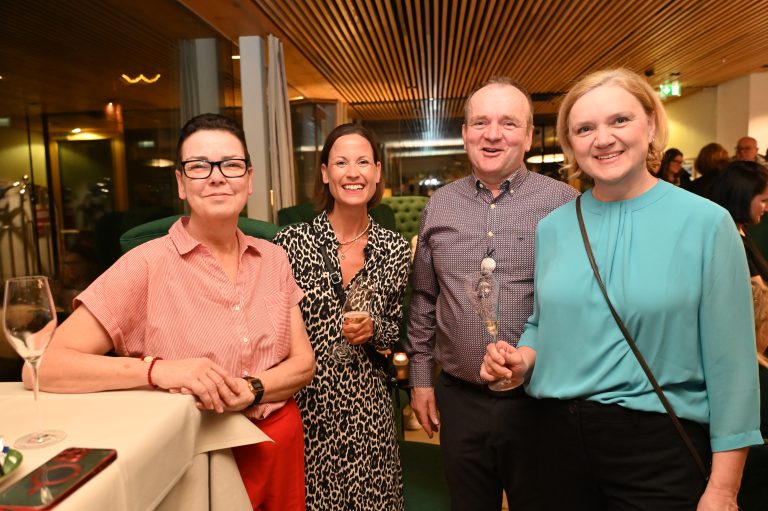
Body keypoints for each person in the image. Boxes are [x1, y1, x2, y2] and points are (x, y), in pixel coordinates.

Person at [482, 68, 762, 511]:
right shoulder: (554, 227)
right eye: (585, 128)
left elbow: (733, 369)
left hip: (657, 448)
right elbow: (542, 323)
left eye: (619, 121)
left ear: (650, 124)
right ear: (570, 143)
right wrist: (523, 360)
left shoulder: (706, 223)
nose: (602, 138)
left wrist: (724, 489)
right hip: (549, 443)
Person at [26, 113, 316, 511]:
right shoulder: (144, 264)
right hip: (200, 453)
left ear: (248, 180)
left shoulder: (273, 258)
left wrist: (253, 388)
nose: (216, 177)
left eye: (230, 165)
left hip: (280, 442)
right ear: (181, 183)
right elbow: (41, 366)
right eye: (199, 166)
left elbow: (303, 363)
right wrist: (159, 370)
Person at [406, 77, 578, 510]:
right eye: (480, 122)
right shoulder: (439, 205)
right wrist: (421, 381)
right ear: (464, 133)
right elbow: (425, 299)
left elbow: (582, 304)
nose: (492, 134)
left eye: (508, 122)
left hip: (542, 400)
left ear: (528, 135)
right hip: (460, 399)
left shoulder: (565, 203)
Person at [273, 124, 410, 510]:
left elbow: (393, 330)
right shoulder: (289, 244)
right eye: (341, 162)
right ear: (324, 173)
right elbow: (273, 330)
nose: (353, 172)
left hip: (370, 407)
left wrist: (374, 329)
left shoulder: (394, 248)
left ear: (377, 172)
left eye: (363, 161)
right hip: (308, 404)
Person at [709, 160, 768, 437]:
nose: (766, 207)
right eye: (763, 200)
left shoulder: (742, 231)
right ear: (744, 197)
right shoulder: (728, 236)